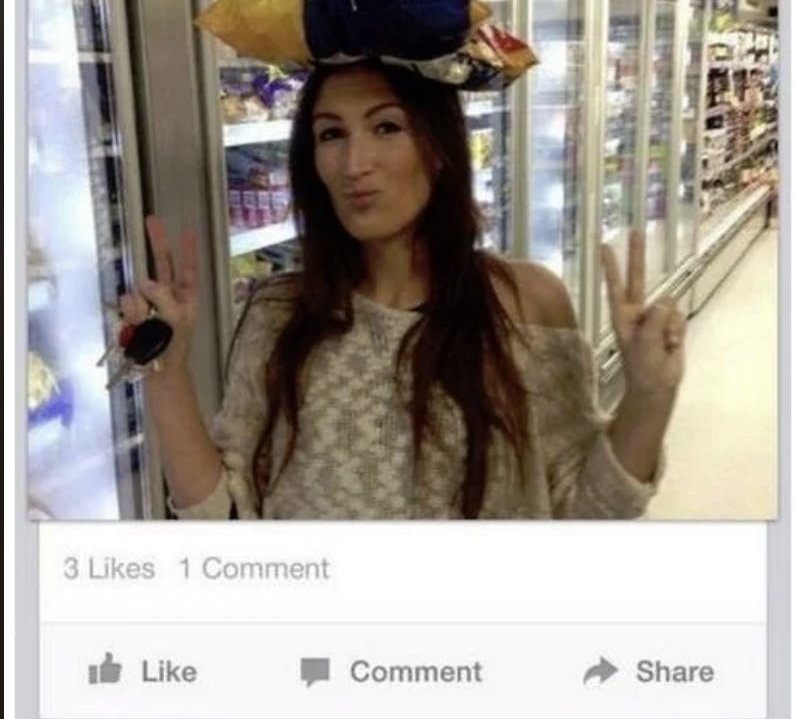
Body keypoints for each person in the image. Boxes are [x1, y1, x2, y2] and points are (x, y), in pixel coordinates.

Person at [121, 60, 685, 520]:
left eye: (387, 127)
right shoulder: (277, 313)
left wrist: (649, 397)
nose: (354, 163)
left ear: (438, 149)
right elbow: (226, 518)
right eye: (331, 134)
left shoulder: (525, 302)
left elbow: (584, 509)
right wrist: (166, 373)